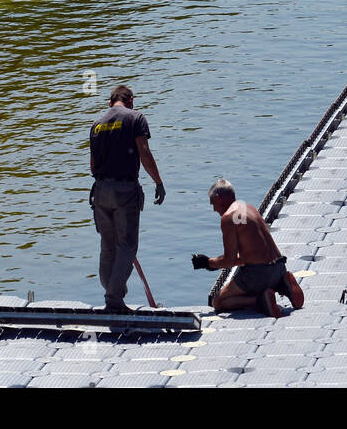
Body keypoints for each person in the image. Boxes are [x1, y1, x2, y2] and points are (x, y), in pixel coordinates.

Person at [89, 84, 165, 312]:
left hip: (100, 191)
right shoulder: (136, 118)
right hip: (125, 190)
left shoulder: (96, 124)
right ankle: (114, 299)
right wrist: (158, 182)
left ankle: (111, 295)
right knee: (128, 246)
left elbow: (93, 166)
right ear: (130, 99)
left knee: (108, 245)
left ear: (110, 102)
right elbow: (144, 152)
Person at [192, 179, 304, 318]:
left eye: (213, 204)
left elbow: (229, 260)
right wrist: (213, 263)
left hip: (259, 273)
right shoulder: (247, 208)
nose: (214, 209)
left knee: (219, 302)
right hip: (279, 267)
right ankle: (282, 284)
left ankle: (260, 301)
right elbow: (248, 256)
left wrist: (207, 263)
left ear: (217, 198)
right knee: (256, 277)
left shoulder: (228, 218)